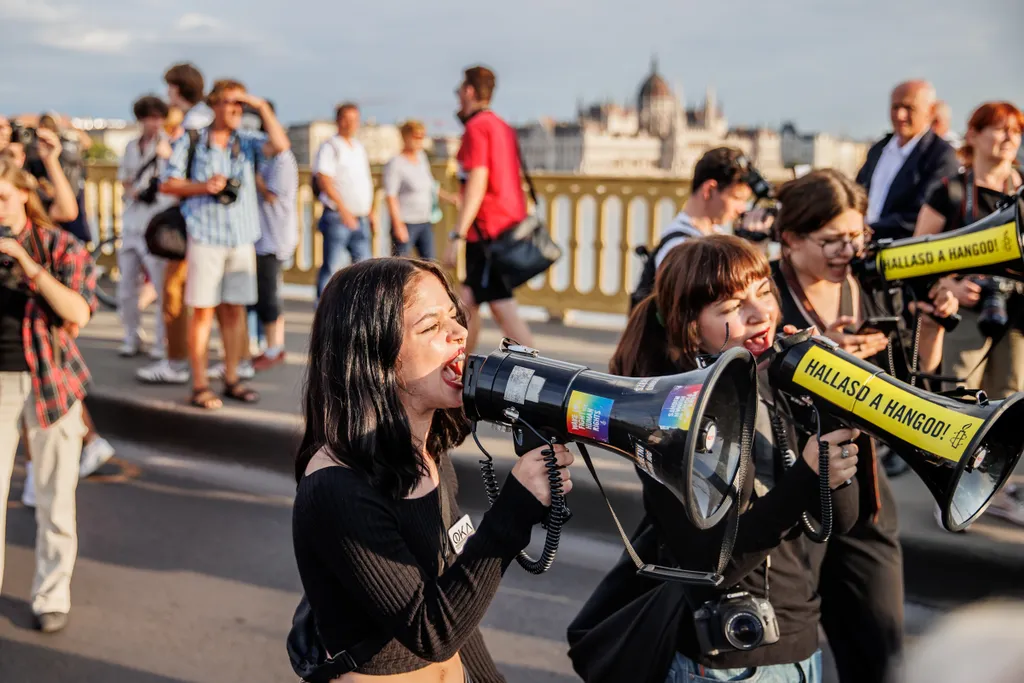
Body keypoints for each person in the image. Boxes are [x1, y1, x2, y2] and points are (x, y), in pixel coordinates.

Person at [593, 235, 861, 683]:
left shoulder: (774, 381)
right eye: (733, 307)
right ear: (692, 326)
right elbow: (711, 564)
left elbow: (841, 520)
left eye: (764, 292)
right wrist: (807, 476)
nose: (761, 314)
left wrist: (838, 404)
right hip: (728, 662)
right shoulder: (670, 418)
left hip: (799, 645)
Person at [292, 257, 573, 683]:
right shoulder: (337, 487)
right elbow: (431, 631)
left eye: (454, 316)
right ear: (376, 354)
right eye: (430, 327)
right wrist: (514, 509)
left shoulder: (426, 456)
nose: (459, 332)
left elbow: (456, 610)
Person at [770, 169, 958, 683]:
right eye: (832, 240)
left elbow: (915, 379)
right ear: (789, 238)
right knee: (781, 654)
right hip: (790, 495)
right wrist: (817, 358)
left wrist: (931, 326)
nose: (848, 251)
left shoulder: (869, 284)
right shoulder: (761, 294)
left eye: (857, 237)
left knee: (880, 654)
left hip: (864, 490)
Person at [914, 101, 1024, 526]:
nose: (1009, 138)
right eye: (998, 129)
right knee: (959, 402)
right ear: (973, 135)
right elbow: (916, 256)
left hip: (1015, 317)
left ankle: (994, 489)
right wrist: (951, 285)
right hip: (964, 316)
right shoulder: (951, 191)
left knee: (1010, 402)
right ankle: (948, 488)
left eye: (1015, 130)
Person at [0, 157, 96, 634]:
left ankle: (51, 593)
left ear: (22, 195)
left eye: (1, 197)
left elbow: (78, 309)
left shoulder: (58, 245)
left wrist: (26, 265)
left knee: (57, 497)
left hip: (51, 381)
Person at [160, 79, 291, 410]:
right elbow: (168, 184)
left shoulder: (246, 141)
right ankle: (201, 384)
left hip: (241, 238)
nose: (236, 110)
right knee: (203, 313)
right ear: (214, 105)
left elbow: (281, 145)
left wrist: (259, 106)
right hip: (205, 236)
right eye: (230, 103)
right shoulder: (194, 141)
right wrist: (205, 186)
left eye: (240, 105)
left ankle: (232, 377)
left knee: (234, 312)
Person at [442, 65, 534, 353]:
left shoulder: (476, 127)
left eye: (459, 90)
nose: (457, 96)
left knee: (500, 308)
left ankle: (543, 375)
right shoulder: (501, 126)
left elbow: (477, 183)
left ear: (469, 91)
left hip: (486, 232)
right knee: (471, 302)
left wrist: (457, 236)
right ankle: (461, 372)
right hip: (505, 226)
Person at [135, 63, 213, 386]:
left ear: (178, 89)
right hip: (209, 219)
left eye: (170, 88)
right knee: (206, 297)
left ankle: (177, 361)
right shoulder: (206, 119)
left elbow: (176, 178)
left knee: (174, 291)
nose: (168, 94)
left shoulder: (190, 124)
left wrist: (168, 155)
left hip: (191, 216)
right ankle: (201, 360)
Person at [631, 147, 761, 308]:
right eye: (737, 198)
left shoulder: (708, 236)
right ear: (709, 190)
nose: (742, 208)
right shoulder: (679, 247)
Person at [856, 80, 959, 242]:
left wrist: (869, 232)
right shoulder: (878, 149)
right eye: (895, 107)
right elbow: (857, 192)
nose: (900, 115)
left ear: (930, 111)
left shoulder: (941, 156)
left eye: (909, 108)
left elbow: (922, 213)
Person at [116, 95, 174, 359]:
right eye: (149, 118)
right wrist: (134, 191)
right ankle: (131, 335)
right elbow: (124, 179)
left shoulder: (168, 145)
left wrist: (166, 156)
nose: (154, 123)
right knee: (126, 286)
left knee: (161, 287)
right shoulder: (130, 146)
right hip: (131, 222)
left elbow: (171, 180)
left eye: (158, 118)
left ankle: (162, 342)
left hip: (155, 224)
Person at [313, 102, 375, 301]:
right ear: (338, 121)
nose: (351, 124)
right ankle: (323, 313)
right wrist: (343, 210)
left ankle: (361, 314)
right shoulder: (330, 146)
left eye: (355, 120)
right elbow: (324, 179)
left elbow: (363, 181)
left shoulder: (358, 147)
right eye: (346, 120)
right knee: (333, 267)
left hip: (361, 217)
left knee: (365, 269)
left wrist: (370, 211)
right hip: (338, 216)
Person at [384, 119, 449, 260]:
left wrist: (450, 198)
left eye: (422, 136)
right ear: (405, 137)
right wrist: (398, 225)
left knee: (430, 263)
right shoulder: (396, 163)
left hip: (425, 221)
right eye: (416, 136)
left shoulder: (422, 158)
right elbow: (390, 195)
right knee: (400, 266)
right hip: (406, 222)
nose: (420, 140)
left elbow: (431, 186)